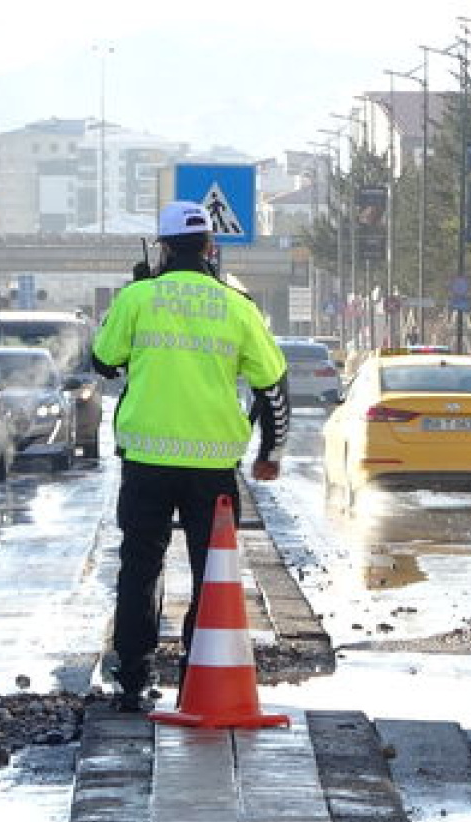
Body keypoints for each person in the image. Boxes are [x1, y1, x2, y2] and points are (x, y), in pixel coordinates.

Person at [92, 200, 291, 712]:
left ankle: (132, 678)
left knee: (139, 566)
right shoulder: (237, 306)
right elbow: (273, 386)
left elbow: (103, 360)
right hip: (212, 470)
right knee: (212, 572)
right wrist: (271, 450)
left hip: (147, 463)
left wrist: (136, 294)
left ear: (161, 246)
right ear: (209, 246)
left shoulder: (138, 297)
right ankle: (194, 676)